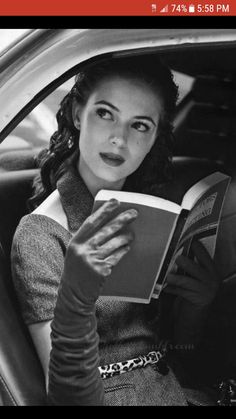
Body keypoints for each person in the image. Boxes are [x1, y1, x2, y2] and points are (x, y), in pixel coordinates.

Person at [11, 55, 221, 406]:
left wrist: (198, 305)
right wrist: (76, 295)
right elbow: (69, 398)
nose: (119, 139)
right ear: (79, 114)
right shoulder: (39, 236)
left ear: (155, 137)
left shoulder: (151, 212)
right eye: (105, 113)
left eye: (140, 125)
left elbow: (174, 352)